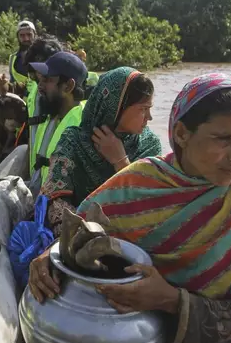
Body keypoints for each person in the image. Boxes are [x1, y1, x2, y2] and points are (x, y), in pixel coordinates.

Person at [29, 73, 231, 343]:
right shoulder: (136, 181)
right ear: (181, 134)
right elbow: (78, 231)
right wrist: (50, 255)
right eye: (224, 139)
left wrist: (171, 301)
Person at [40, 67, 162, 235]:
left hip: (129, 239)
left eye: (150, 108)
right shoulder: (74, 141)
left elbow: (150, 207)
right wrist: (80, 236)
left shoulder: (149, 145)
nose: (149, 117)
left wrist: (121, 162)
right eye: (142, 109)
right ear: (116, 108)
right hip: (74, 237)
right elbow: (55, 200)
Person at [25, 51, 89, 197]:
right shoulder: (51, 117)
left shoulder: (82, 124)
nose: (40, 85)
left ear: (68, 86)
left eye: (47, 80)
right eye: (40, 79)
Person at [8, 20, 36, 95]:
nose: (26, 38)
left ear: (34, 35)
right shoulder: (12, 59)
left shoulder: (45, 57)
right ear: (18, 37)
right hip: (20, 104)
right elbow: (12, 86)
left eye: (29, 35)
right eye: (22, 35)